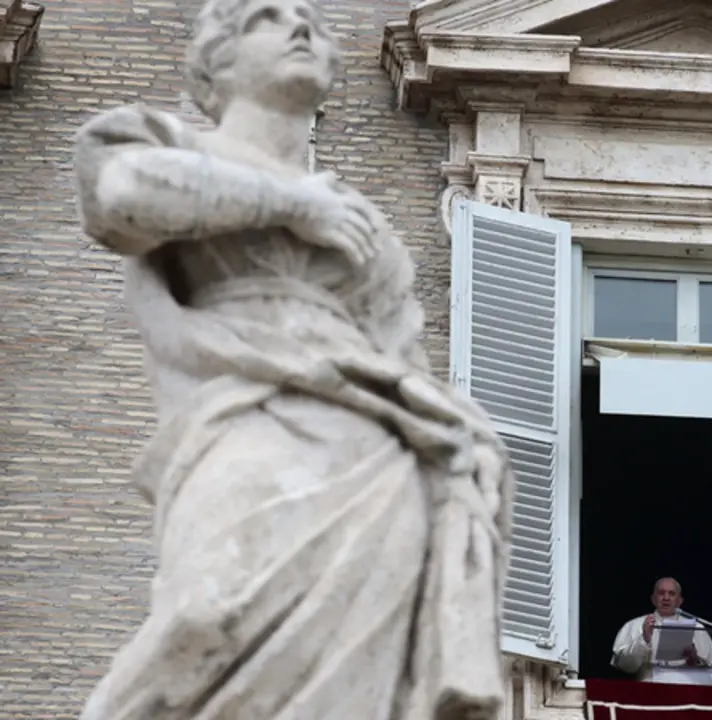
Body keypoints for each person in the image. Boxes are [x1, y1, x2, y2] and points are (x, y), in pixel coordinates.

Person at [70, 0, 514, 718]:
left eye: (310, 19)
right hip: (241, 424)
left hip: (378, 467)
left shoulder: (368, 227)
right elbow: (121, 197)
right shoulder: (166, 143)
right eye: (266, 18)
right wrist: (290, 203)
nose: (301, 27)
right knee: (205, 614)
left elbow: (401, 359)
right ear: (216, 61)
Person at [611, 577, 712, 683]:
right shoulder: (634, 625)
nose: (666, 598)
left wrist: (695, 661)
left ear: (680, 601)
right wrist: (644, 640)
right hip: (648, 690)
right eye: (661, 593)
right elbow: (624, 666)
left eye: (672, 594)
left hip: (687, 690)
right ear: (653, 599)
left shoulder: (696, 628)